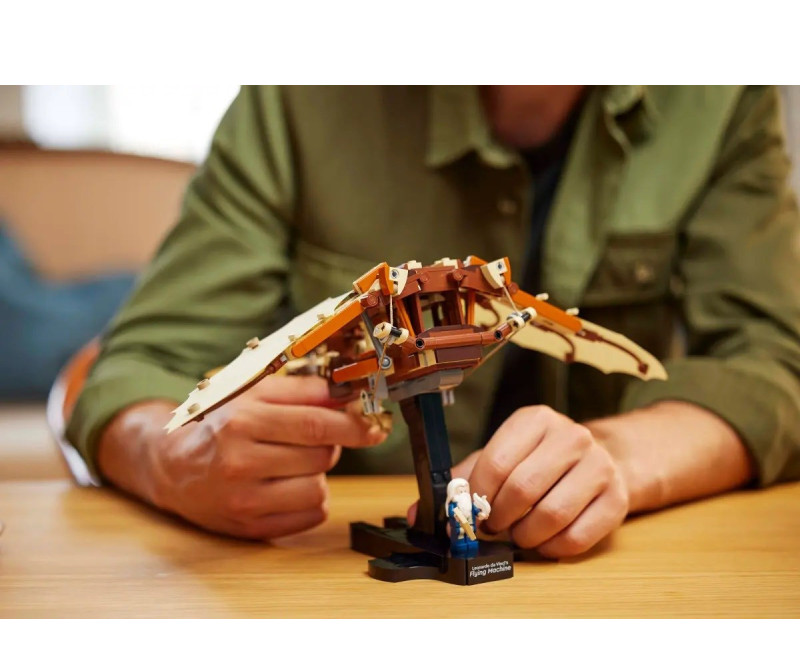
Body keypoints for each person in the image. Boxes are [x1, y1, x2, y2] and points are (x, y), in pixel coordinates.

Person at [66, 86, 800, 558]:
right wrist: (170, 457)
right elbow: (132, 370)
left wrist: (619, 456)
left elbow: (777, 363)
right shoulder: (300, 97)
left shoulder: (720, 95)